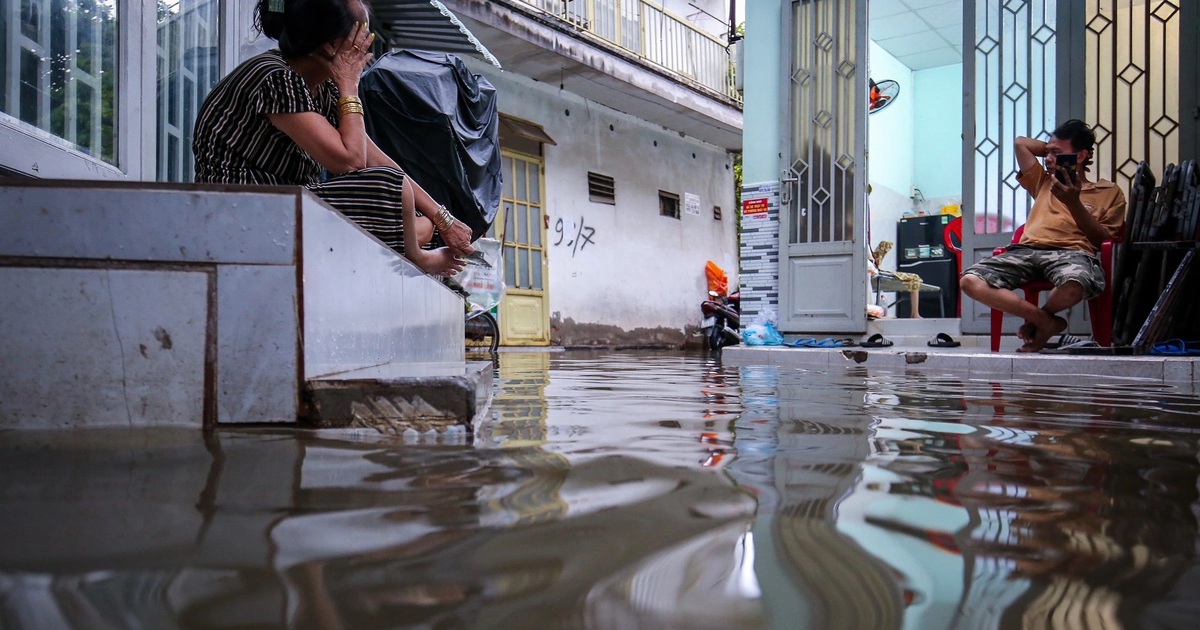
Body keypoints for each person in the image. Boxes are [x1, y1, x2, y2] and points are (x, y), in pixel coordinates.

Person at [192, 0, 473, 277]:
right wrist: (350, 86)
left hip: (291, 206)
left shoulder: (320, 87)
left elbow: (374, 159)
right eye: (361, 39)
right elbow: (350, 161)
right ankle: (418, 257)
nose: (366, 50)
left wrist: (442, 218)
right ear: (332, 46)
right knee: (394, 192)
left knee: (420, 221)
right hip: (244, 212)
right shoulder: (275, 77)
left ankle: (410, 239)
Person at [960, 119, 1126, 352]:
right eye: (1046, 153)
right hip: (1026, 251)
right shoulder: (1043, 181)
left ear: (1080, 156)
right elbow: (1021, 143)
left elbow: (1103, 240)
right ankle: (1045, 322)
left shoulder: (1109, 193)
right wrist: (1053, 151)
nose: (1047, 159)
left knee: (1073, 284)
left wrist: (1073, 202)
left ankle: (1042, 321)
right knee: (970, 281)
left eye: (1056, 153)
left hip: (1073, 254)